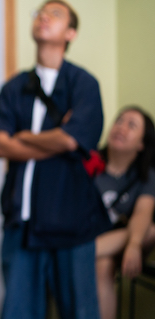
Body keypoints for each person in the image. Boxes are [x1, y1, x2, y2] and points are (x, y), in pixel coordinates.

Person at [0, 0, 110, 319]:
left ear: (70, 33)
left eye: (54, 14)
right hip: (22, 221)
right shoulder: (15, 87)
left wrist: (24, 137)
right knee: (18, 312)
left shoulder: (83, 84)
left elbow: (72, 140)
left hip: (71, 221)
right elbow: (1, 146)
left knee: (80, 312)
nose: (44, 16)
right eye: (40, 12)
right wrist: (56, 139)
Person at [95, 106, 155, 319]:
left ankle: (86, 251)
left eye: (132, 125)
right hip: (90, 237)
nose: (121, 127)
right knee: (103, 265)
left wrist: (134, 244)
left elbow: (143, 213)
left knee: (150, 229)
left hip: (128, 242)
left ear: (142, 144)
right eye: (119, 120)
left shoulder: (146, 176)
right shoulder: (90, 163)